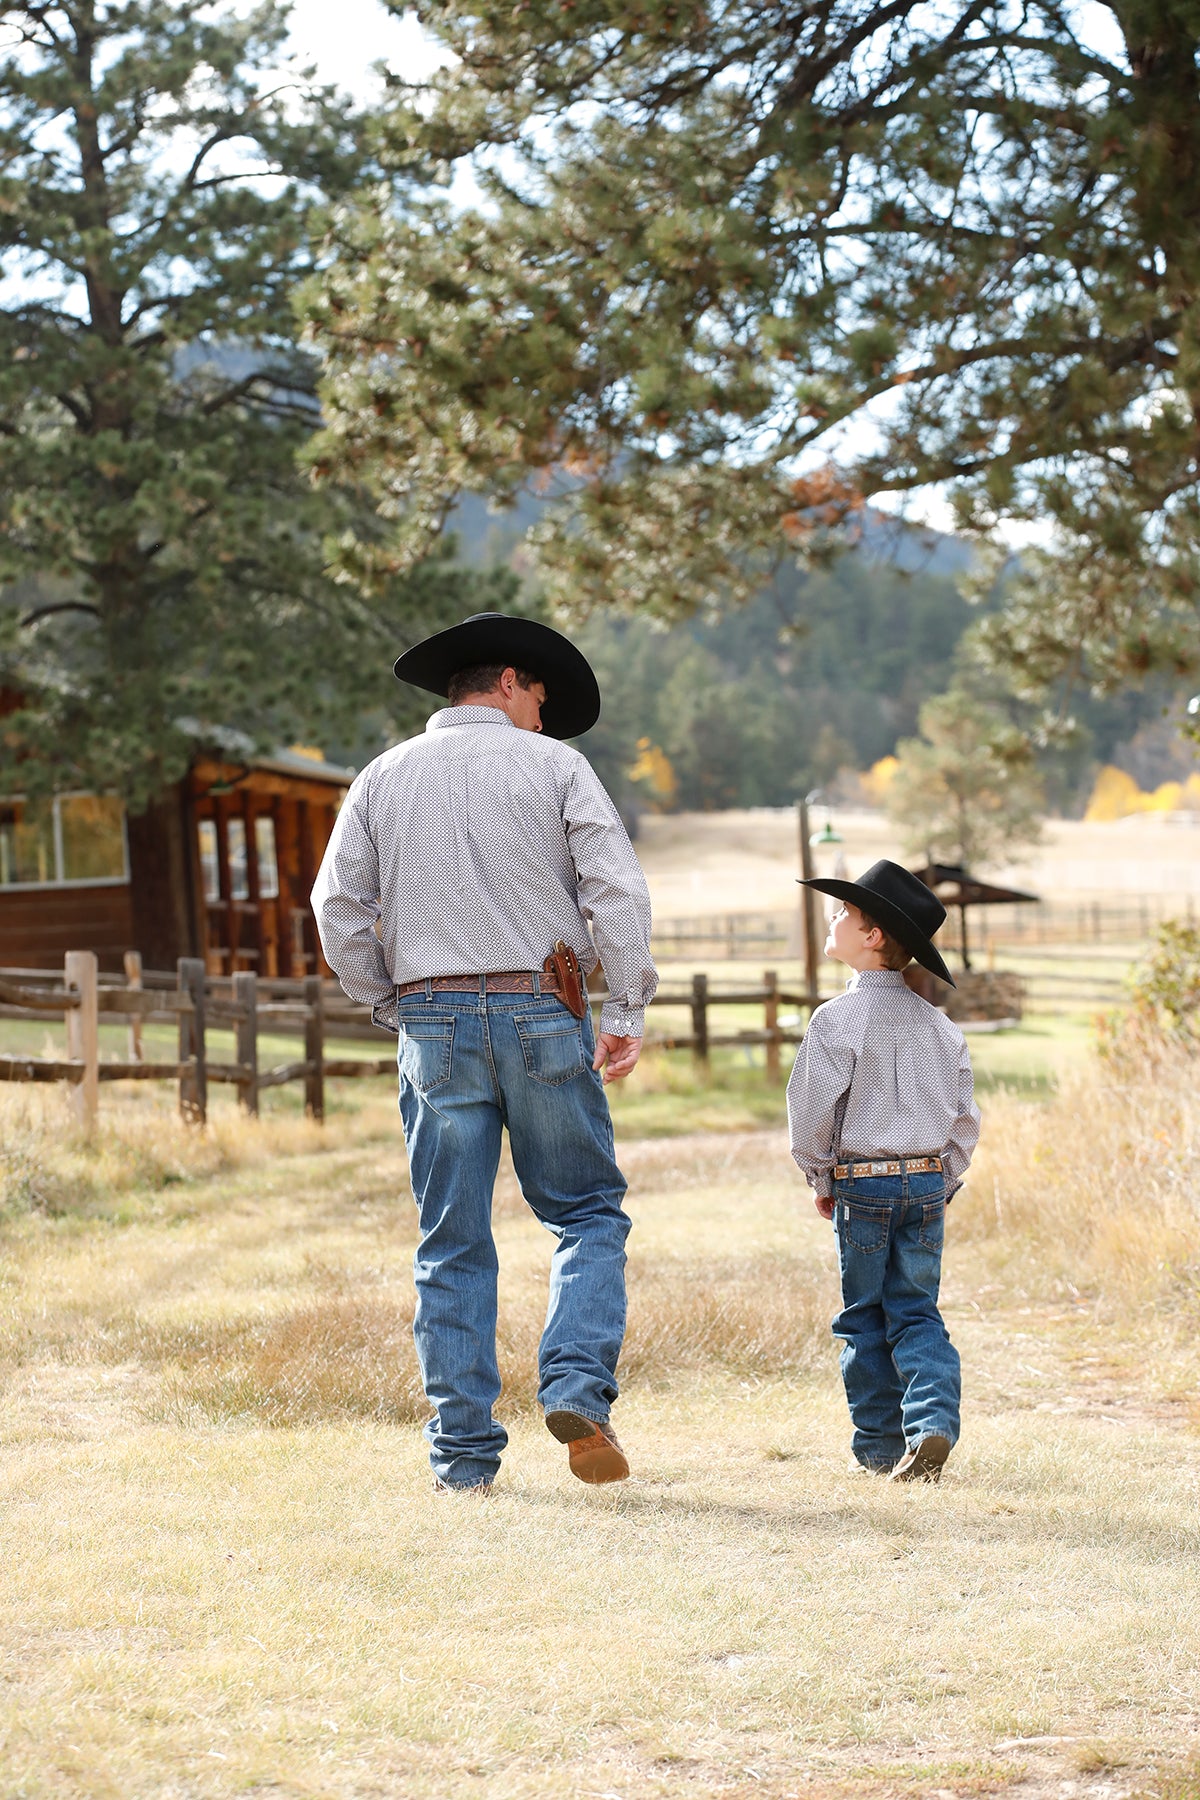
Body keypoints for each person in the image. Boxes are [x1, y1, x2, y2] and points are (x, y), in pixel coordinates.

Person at [312, 612, 658, 1494]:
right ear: (507, 682)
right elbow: (615, 890)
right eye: (540, 694)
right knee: (586, 1215)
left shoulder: (381, 777)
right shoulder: (557, 769)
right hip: (544, 1009)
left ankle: (463, 1458)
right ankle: (577, 1388)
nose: (543, 713)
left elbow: (337, 909)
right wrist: (625, 1003)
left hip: (434, 1021)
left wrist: (392, 999)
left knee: (451, 1240)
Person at [786, 861, 980, 1482]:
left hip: (862, 1184)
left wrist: (823, 1178)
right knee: (917, 1310)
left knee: (864, 1314)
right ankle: (931, 1424)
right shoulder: (941, 1029)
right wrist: (940, 1182)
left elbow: (811, 1113)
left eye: (846, 913)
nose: (834, 919)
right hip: (926, 1181)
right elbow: (964, 1123)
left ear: (872, 938)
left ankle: (877, 1448)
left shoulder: (835, 1021)